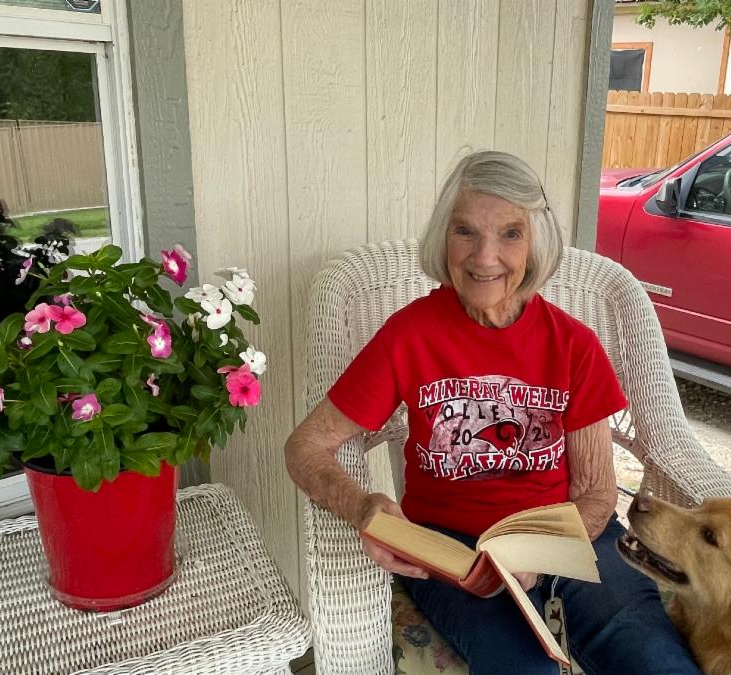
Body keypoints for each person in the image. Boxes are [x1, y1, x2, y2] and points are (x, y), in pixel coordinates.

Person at [285, 150, 700, 675]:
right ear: (443, 238)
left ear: (535, 244)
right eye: (465, 231)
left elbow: (597, 493)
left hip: (569, 537)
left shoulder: (574, 346)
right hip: (454, 552)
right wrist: (362, 505)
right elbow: (304, 447)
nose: (485, 257)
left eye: (510, 233)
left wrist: (538, 551)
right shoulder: (409, 336)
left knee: (657, 664)